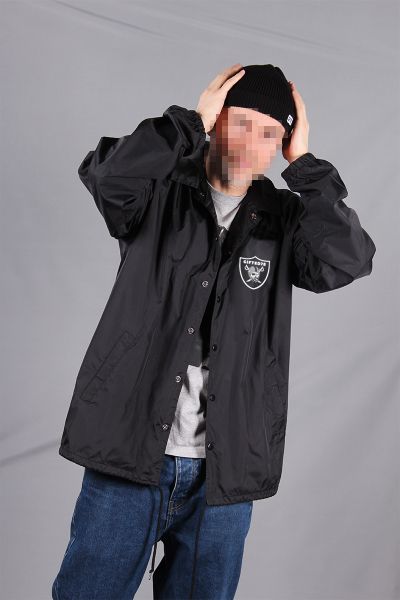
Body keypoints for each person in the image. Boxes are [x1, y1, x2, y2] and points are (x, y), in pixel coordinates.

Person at [52, 64, 376, 600]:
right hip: (129, 449)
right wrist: (186, 123)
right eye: (241, 123)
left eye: (269, 133)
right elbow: (107, 177)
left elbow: (350, 259)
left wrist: (305, 165)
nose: (252, 144)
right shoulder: (159, 189)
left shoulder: (285, 217)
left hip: (224, 470)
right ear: (217, 121)